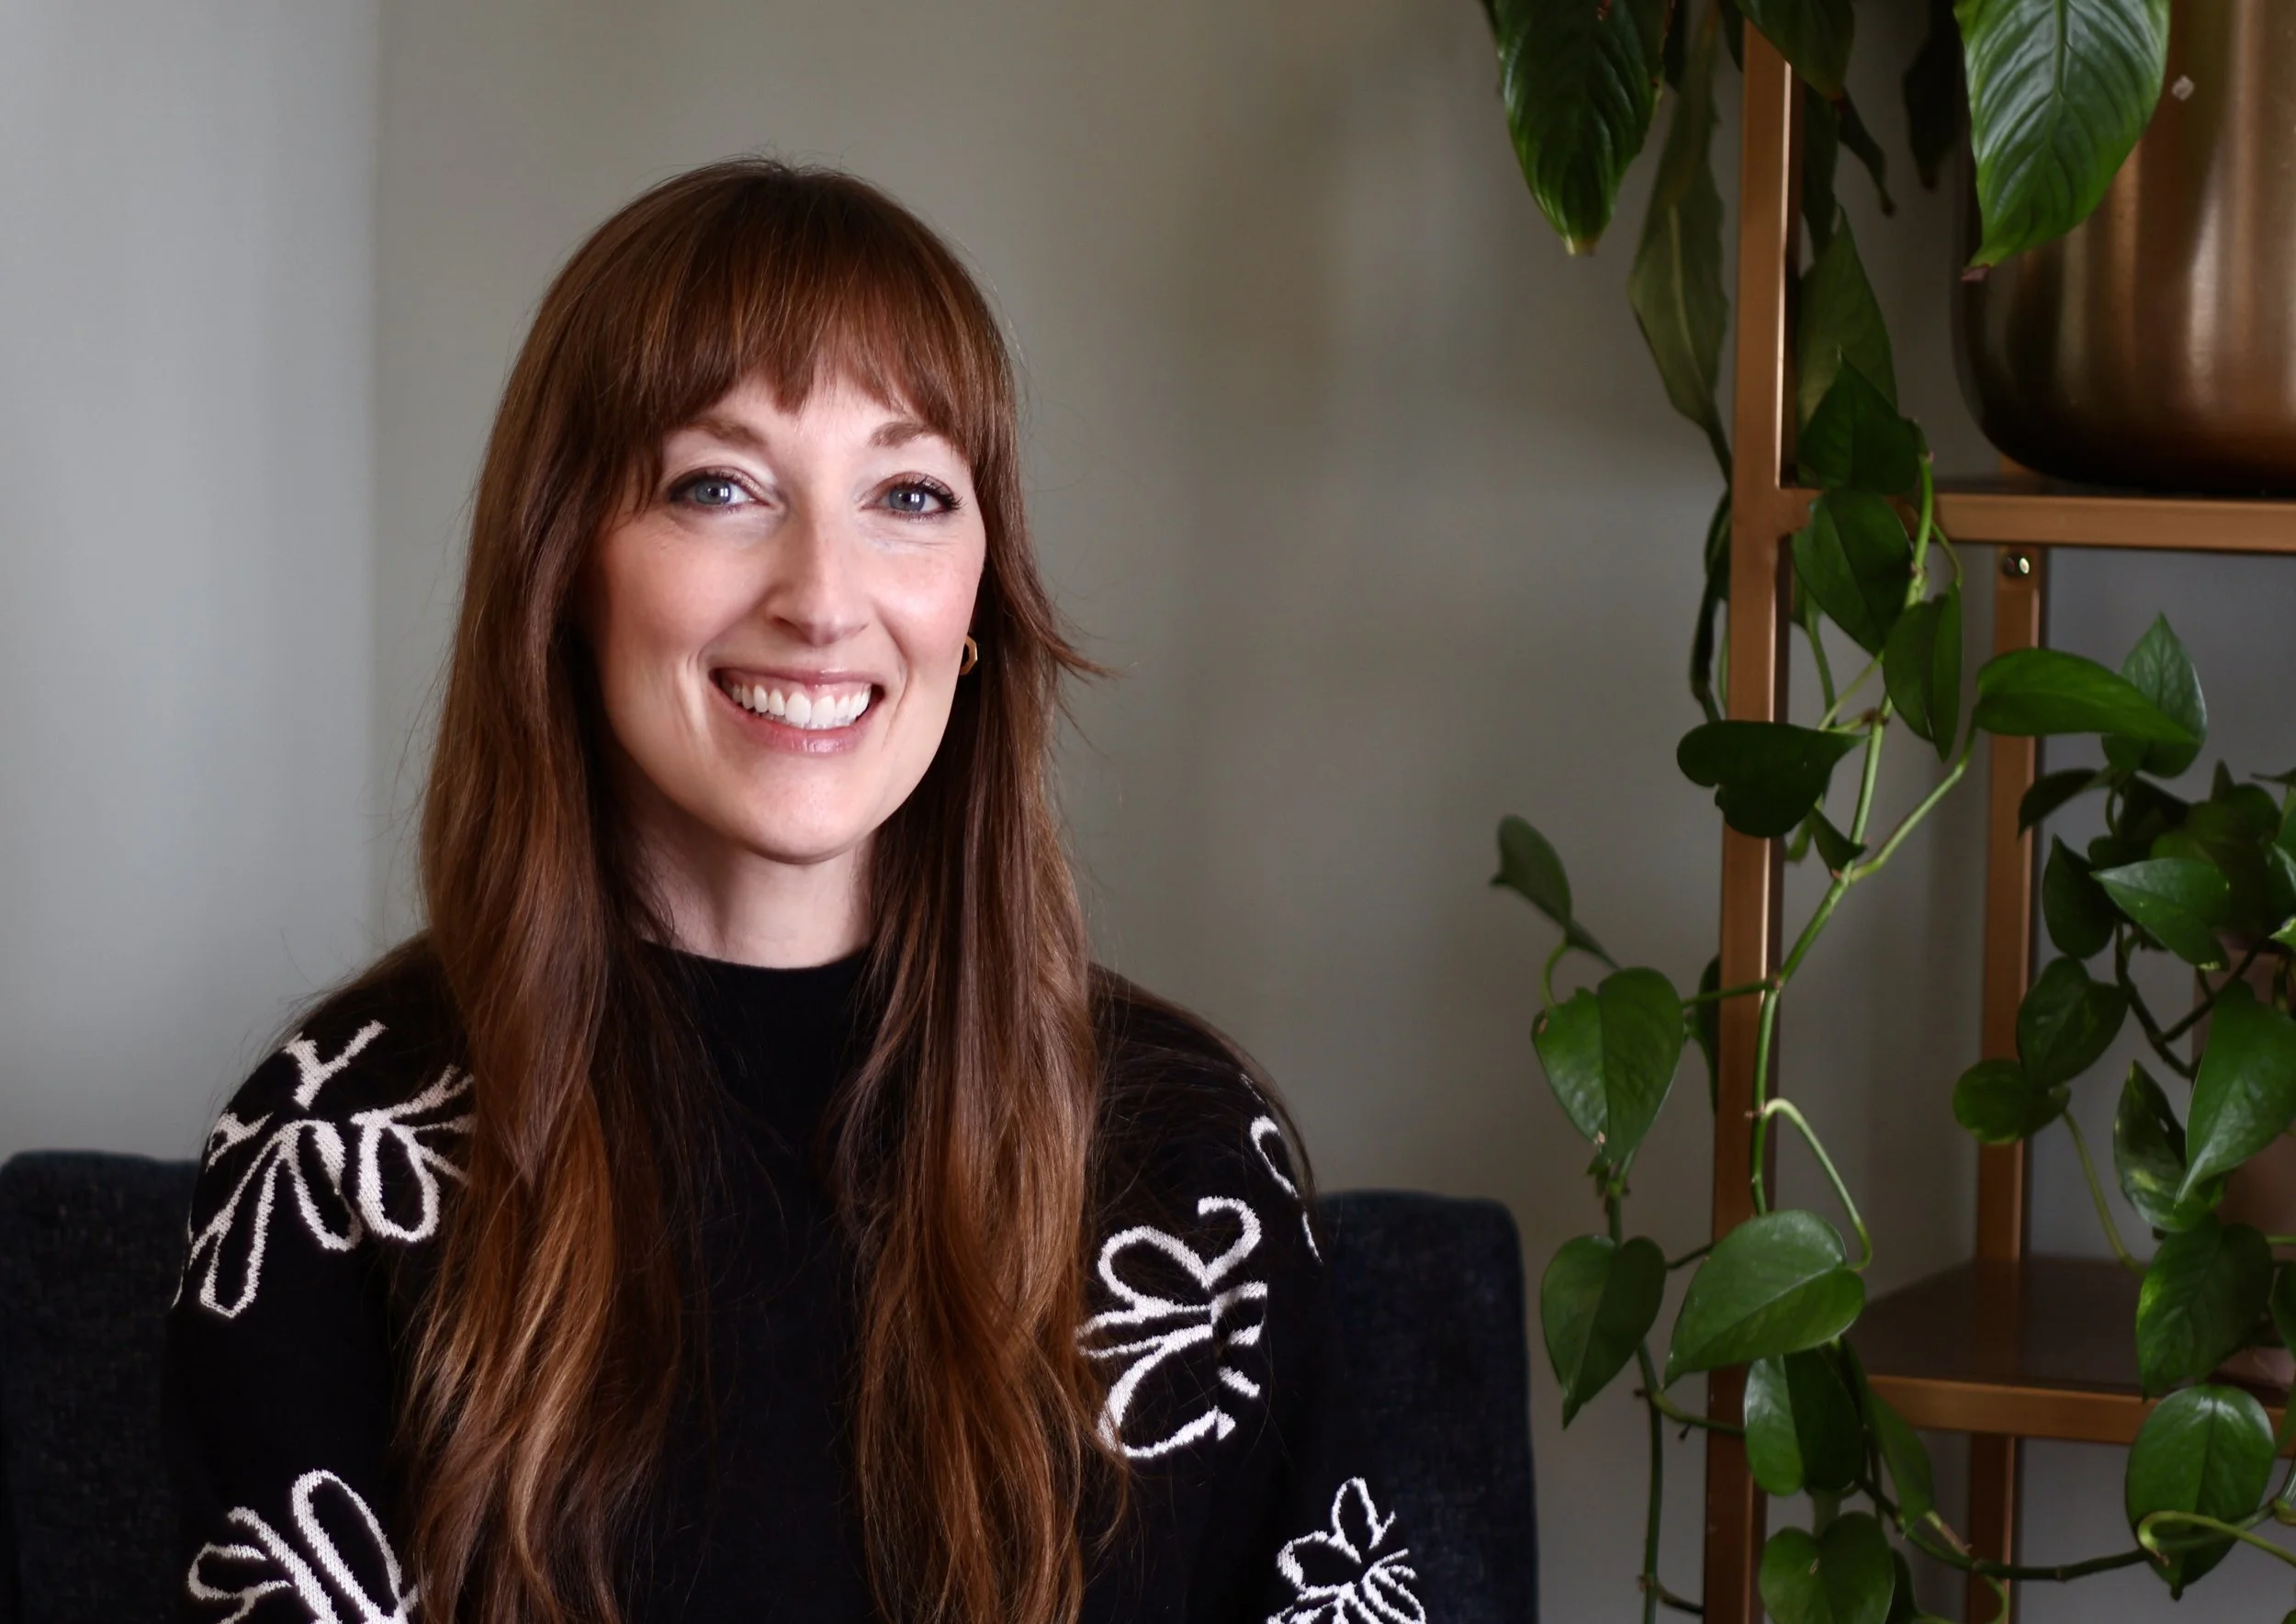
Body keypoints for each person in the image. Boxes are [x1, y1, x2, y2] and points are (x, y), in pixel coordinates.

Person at [163, 158, 1423, 1624]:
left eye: (907, 492)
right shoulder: (330, 1157)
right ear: (565, 570)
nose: (823, 596)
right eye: (719, 486)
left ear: (977, 610)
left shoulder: (1197, 1163)